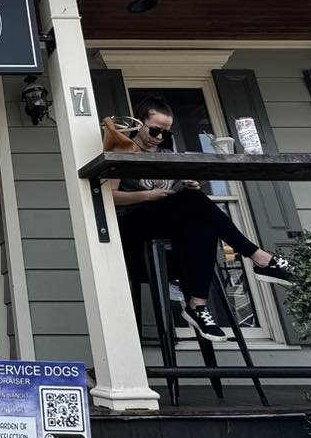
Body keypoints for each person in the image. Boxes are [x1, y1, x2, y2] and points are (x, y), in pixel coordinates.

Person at [110, 95, 291, 341]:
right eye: (154, 130)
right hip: (132, 233)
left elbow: (177, 196)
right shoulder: (123, 147)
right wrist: (147, 195)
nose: (159, 138)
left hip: (171, 242)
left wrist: (191, 184)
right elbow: (109, 196)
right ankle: (260, 258)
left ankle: (198, 306)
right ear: (139, 123)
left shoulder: (166, 155)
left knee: (202, 222)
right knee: (193, 203)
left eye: (166, 134)